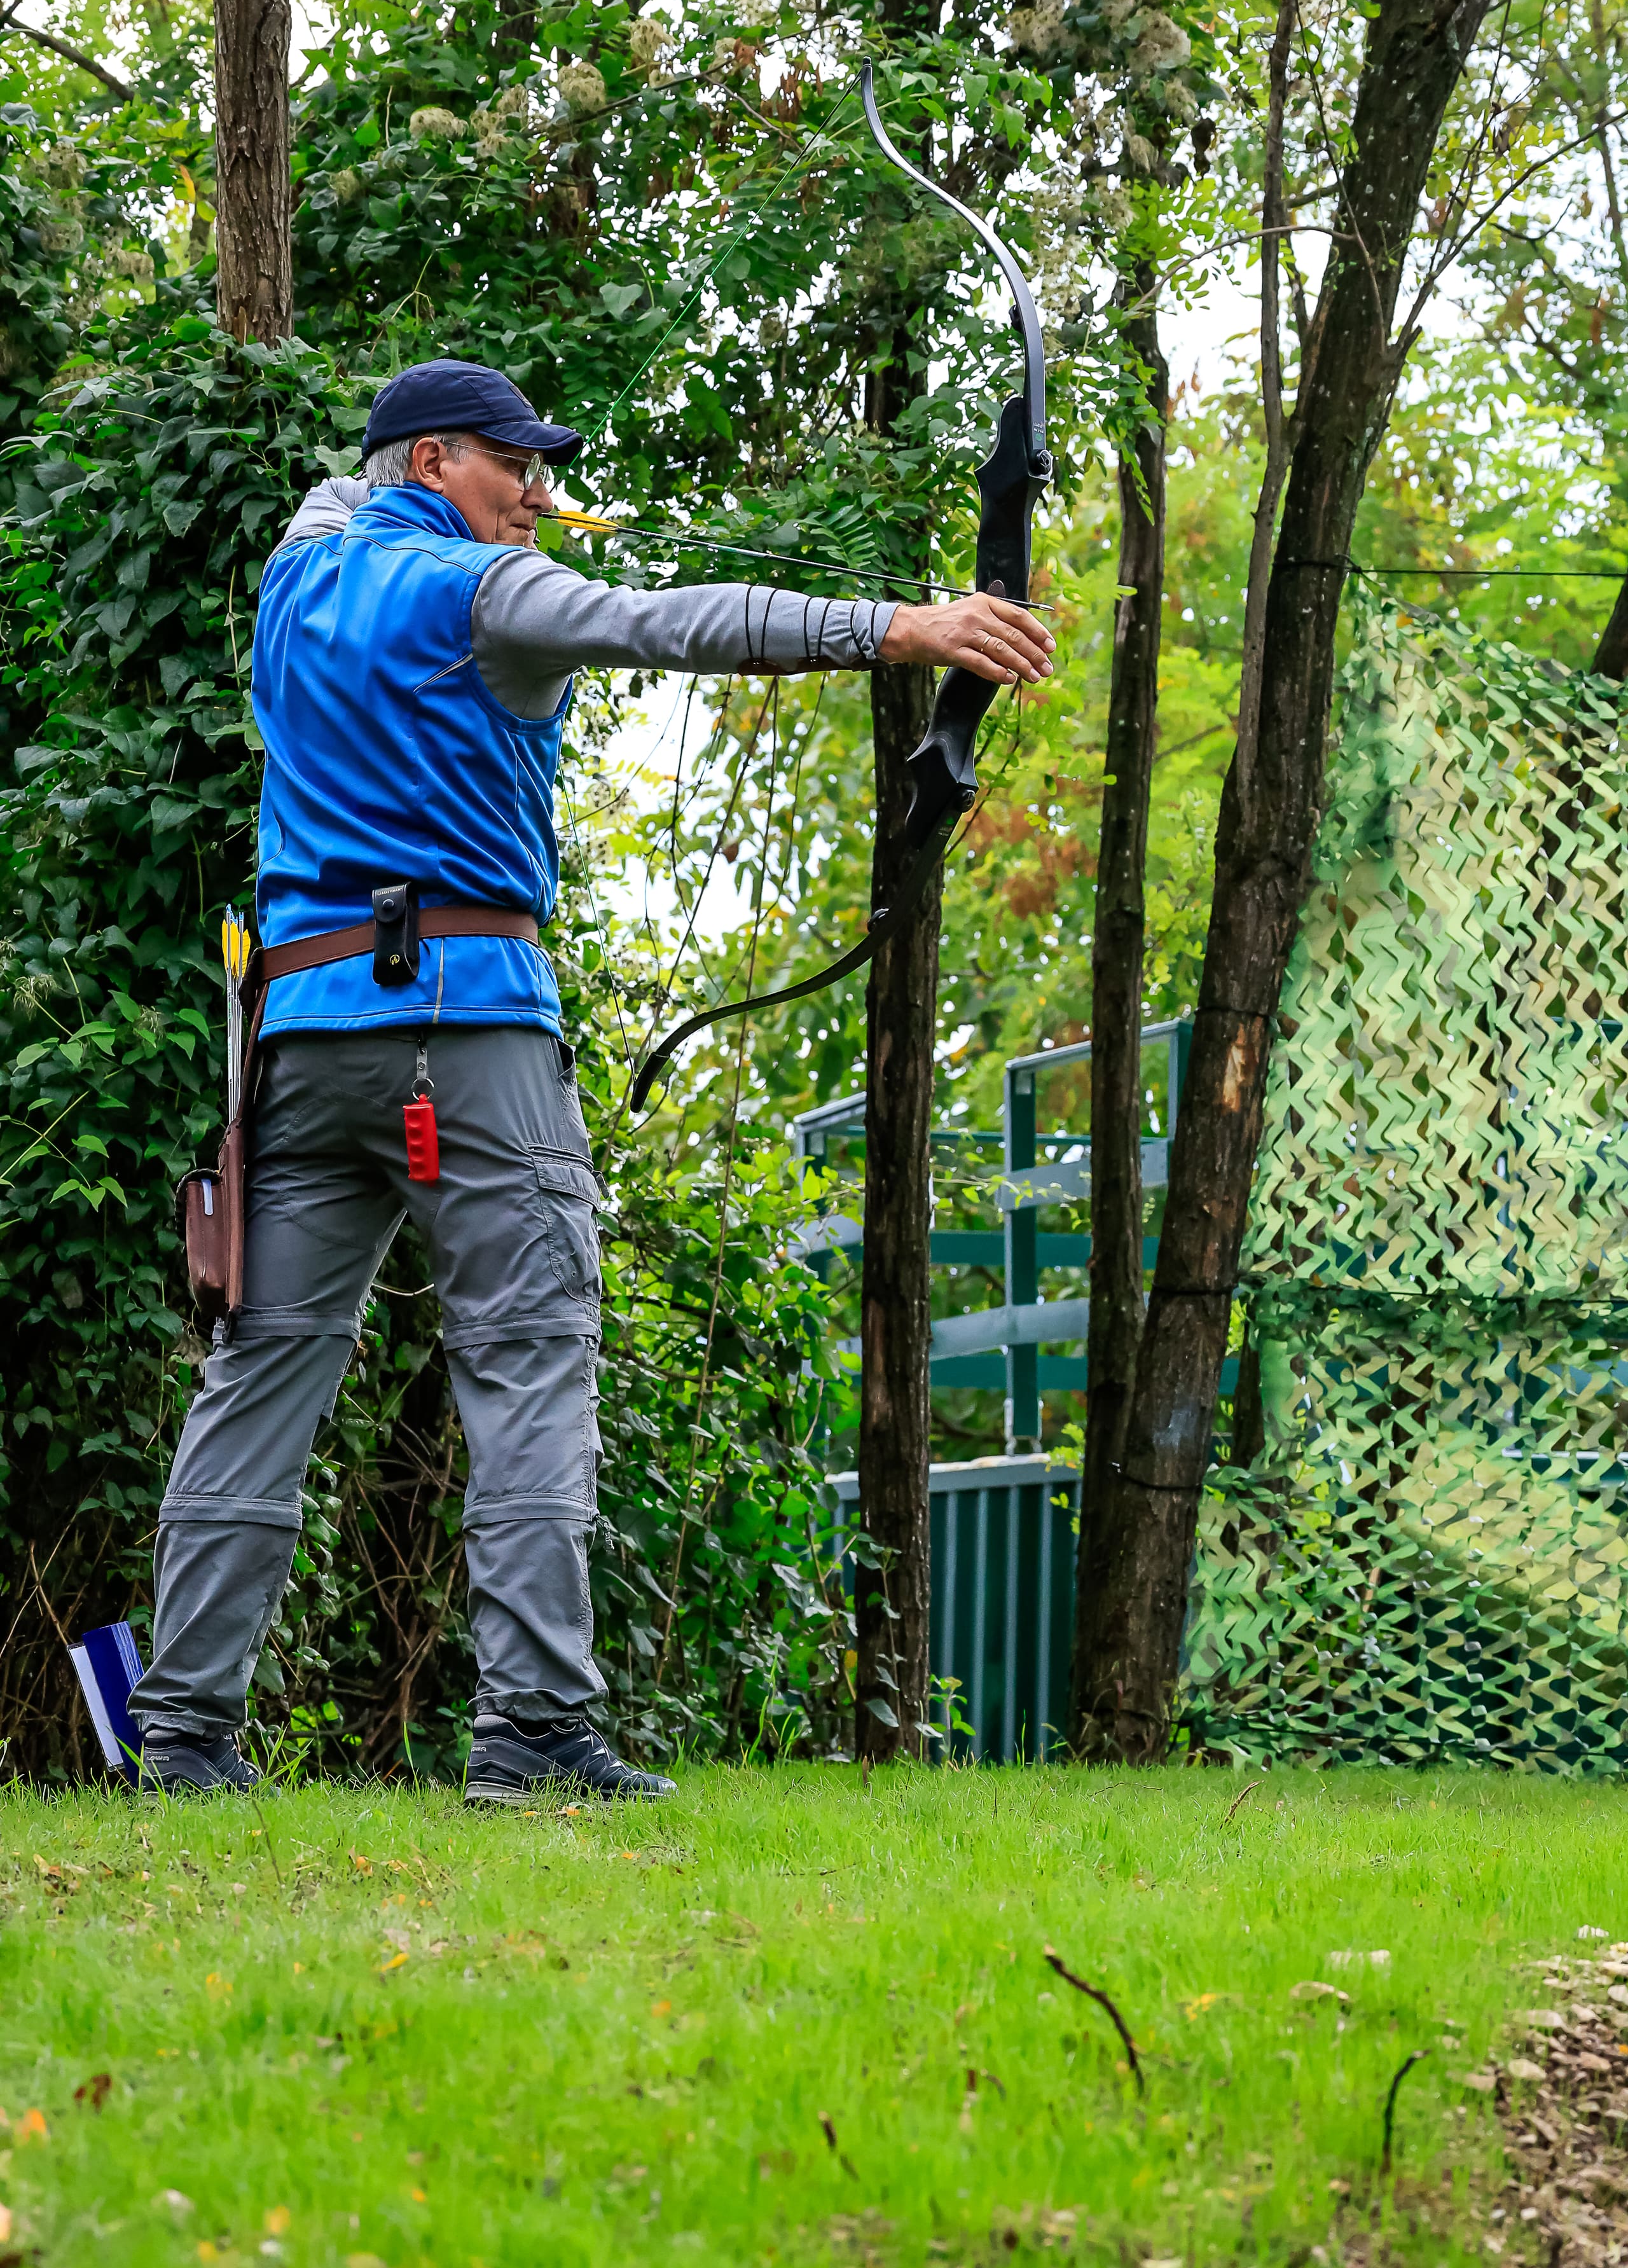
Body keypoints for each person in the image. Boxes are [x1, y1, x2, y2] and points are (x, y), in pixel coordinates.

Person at [127, 357, 1056, 1801]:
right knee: (529, 1364)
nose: (538, 492)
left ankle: (182, 1740)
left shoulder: (297, 579)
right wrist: (906, 628)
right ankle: (533, 1735)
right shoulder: (484, 596)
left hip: (302, 1047)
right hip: (468, 1033)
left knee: (257, 1384)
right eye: (512, 464)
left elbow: (331, 497)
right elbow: (666, 623)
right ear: (430, 462)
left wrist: (488, 502)